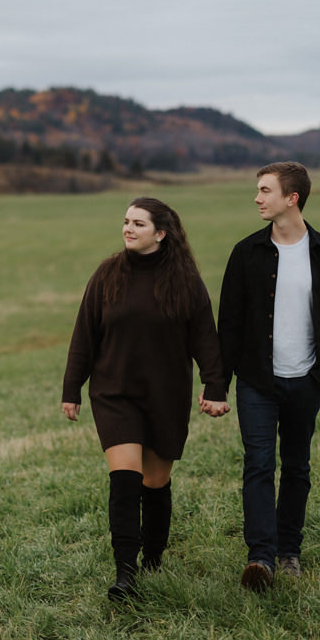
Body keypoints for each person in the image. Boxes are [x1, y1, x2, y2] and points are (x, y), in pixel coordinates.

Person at [63, 196, 230, 601]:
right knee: (125, 480)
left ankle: (153, 558)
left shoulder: (185, 281)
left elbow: (205, 339)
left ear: (161, 233)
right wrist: (72, 389)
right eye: (126, 221)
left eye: (138, 223)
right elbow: (84, 334)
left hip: (165, 395)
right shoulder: (107, 275)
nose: (128, 228)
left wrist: (215, 387)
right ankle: (125, 574)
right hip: (114, 393)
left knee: (155, 483)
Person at [215, 161, 320, 592]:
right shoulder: (246, 253)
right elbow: (229, 324)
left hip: (304, 381)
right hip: (257, 382)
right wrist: (217, 385)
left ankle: (289, 551)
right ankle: (261, 558)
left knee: (296, 467)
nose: (257, 198)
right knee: (258, 465)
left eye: (265, 190)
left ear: (292, 198)